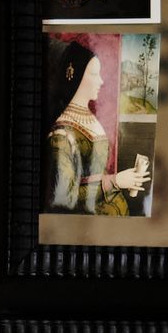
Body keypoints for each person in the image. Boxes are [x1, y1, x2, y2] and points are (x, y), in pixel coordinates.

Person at [44, 40, 148, 215]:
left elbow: (96, 171)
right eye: (94, 74)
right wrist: (115, 181)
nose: (100, 81)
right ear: (73, 74)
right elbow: (64, 196)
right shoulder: (61, 136)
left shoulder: (89, 117)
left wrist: (128, 179)